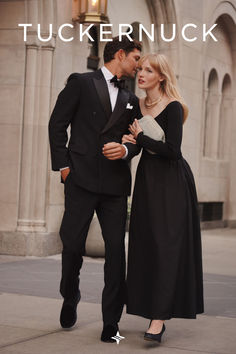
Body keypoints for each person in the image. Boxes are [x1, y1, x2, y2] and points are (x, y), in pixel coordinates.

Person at [48, 36, 141, 343]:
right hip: (81, 180)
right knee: (72, 244)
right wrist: (63, 167)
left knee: (116, 252)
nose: (138, 65)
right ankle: (70, 292)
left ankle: (110, 322)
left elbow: (136, 140)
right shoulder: (81, 83)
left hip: (115, 185)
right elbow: (57, 124)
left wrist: (126, 152)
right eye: (136, 58)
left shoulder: (131, 99)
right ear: (121, 54)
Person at [123, 53, 204, 343]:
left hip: (172, 182)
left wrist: (140, 138)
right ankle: (150, 308)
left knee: (167, 248)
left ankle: (158, 320)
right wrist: (127, 143)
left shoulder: (172, 107)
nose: (141, 74)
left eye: (148, 70)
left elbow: (172, 150)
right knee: (148, 246)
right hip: (147, 181)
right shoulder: (135, 104)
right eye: (141, 68)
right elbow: (131, 142)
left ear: (161, 76)